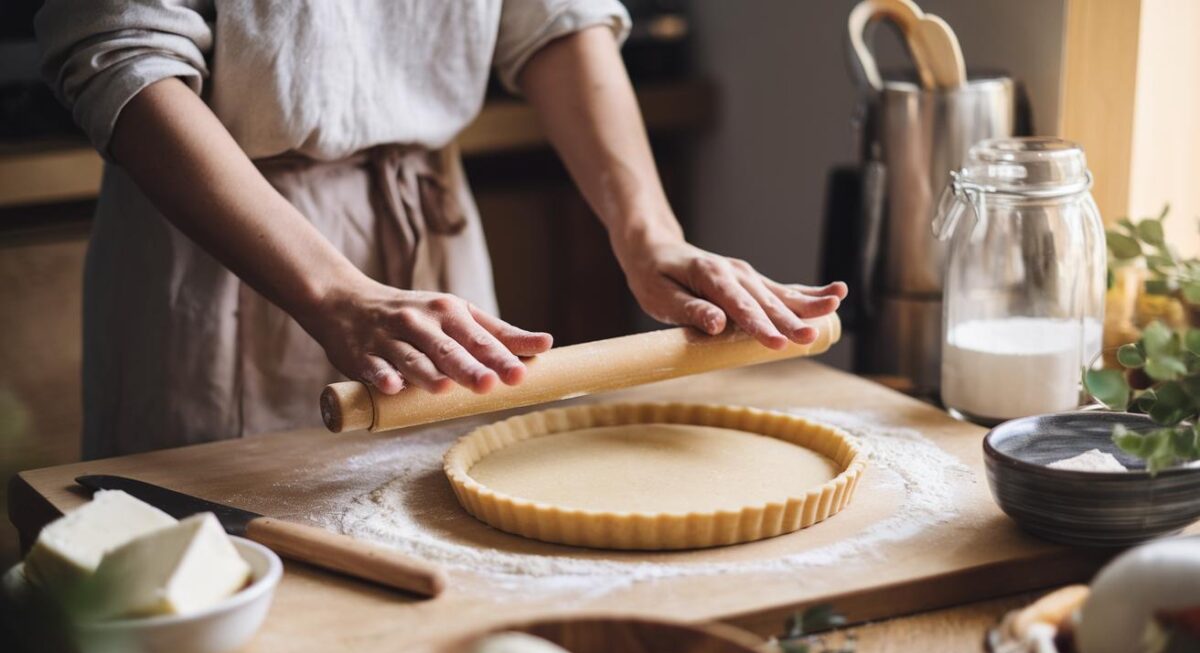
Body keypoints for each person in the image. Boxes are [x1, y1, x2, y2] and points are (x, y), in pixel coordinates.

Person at [36, 1, 846, 459]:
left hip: (430, 234)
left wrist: (649, 232)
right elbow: (121, 50)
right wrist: (336, 291)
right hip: (230, 243)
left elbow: (554, 17)